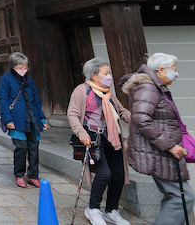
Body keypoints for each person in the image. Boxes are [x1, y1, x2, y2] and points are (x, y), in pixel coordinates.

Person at [121, 53, 194, 225]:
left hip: (158, 151)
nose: (176, 74)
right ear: (161, 70)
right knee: (182, 197)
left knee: (175, 196)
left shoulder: (155, 87)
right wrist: (170, 145)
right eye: (173, 70)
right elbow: (141, 119)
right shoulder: (149, 88)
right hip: (158, 152)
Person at [68, 57, 132, 225]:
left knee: (118, 175)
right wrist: (81, 132)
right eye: (106, 73)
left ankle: (111, 210)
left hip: (113, 137)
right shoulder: (81, 91)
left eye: (109, 73)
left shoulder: (108, 93)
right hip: (92, 138)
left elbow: (121, 110)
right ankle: (93, 208)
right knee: (104, 174)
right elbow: (73, 114)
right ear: (94, 75)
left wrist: (133, 117)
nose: (109, 76)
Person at [0, 52, 48, 188]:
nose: (24, 69)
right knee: (21, 147)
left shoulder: (29, 80)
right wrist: (7, 119)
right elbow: (2, 100)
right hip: (16, 119)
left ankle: (33, 175)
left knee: (34, 147)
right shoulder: (5, 79)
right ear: (13, 66)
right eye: (21, 66)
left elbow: (36, 100)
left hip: (32, 117)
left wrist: (42, 118)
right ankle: (19, 174)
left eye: (26, 66)